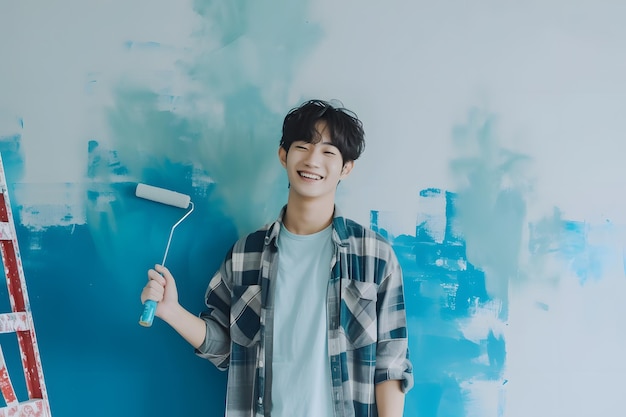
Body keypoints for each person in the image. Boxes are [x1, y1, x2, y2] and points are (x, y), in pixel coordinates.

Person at [141, 99, 413, 416]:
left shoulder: (374, 255)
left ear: (346, 168)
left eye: (328, 152)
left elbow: (391, 361)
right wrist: (171, 311)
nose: (313, 160)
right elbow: (226, 347)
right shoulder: (245, 255)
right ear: (283, 155)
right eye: (303, 146)